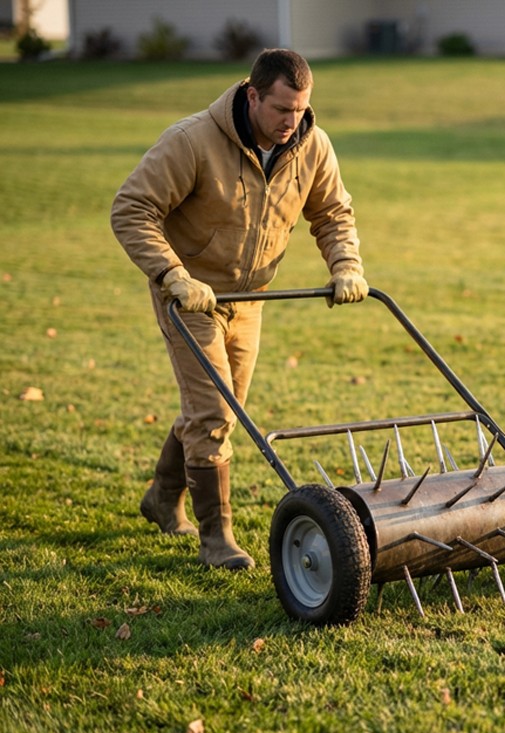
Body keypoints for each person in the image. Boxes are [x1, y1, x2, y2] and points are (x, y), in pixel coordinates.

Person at [111, 49, 368, 571]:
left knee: (219, 408)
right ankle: (216, 538)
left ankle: (162, 497)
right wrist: (173, 276)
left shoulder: (311, 147)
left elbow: (333, 213)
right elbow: (131, 207)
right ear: (252, 96)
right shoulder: (193, 141)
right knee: (214, 413)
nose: (291, 122)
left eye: (300, 110)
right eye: (281, 110)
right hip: (190, 297)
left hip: (249, 298)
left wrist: (346, 266)